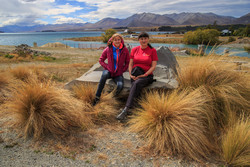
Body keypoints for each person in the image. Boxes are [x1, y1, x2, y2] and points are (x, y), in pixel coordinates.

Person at [117, 32, 158, 120]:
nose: (143, 40)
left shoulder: (152, 50)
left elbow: (153, 66)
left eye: (145, 38)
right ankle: (134, 106)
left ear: (148, 39)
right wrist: (130, 74)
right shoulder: (134, 49)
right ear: (139, 40)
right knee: (136, 78)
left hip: (147, 75)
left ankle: (126, 109)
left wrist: (145, 74)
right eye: (141, 39)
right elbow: (130, 63)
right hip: (135, 74)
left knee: (136, 84)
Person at [93, 33, 130, 106]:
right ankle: (97, 97)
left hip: (118, 74)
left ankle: (110, 98)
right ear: (112, 40)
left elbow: (127, 62)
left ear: (121, 40)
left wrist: (122, 70)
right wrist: (107, 67)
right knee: (104, 76)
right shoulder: (108, 49)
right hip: (109, 71)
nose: (117, 41)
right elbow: (101, 60)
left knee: (120, 85)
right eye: (115, 40)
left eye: (118, 39)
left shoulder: (124, 50)